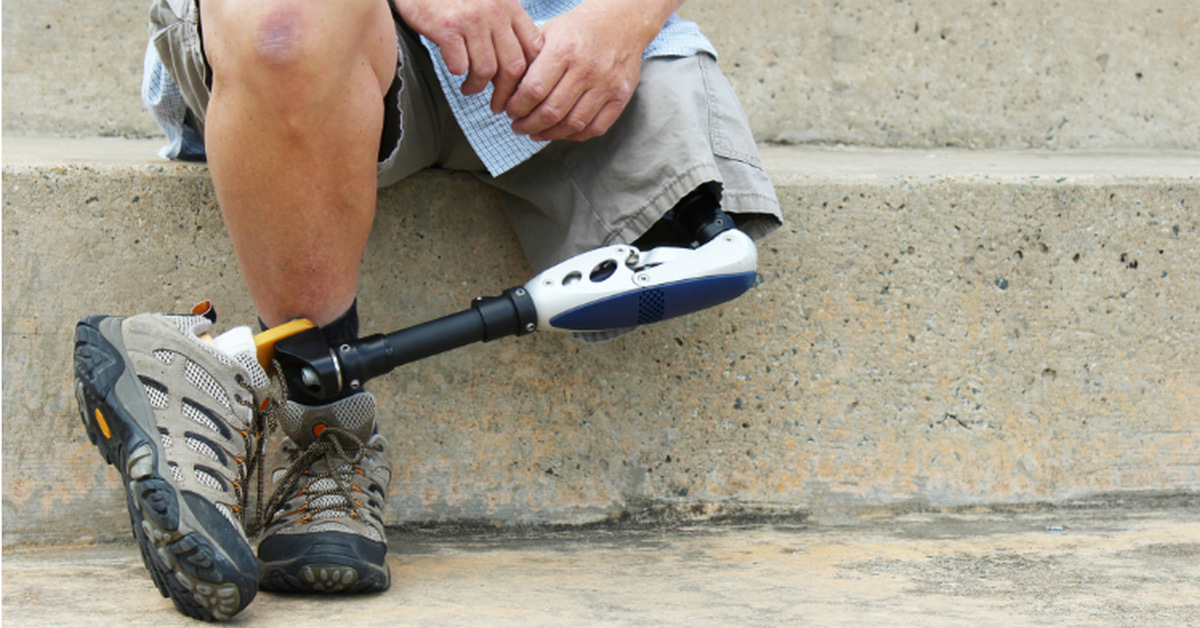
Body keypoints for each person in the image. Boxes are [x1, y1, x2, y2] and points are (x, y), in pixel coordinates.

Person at [74, 0, 781, 620]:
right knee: (285, 26)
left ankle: (205, 372)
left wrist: (627, 16)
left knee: (699, 245)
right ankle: (323, 424)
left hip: (575, 42)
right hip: (334, 31)